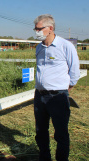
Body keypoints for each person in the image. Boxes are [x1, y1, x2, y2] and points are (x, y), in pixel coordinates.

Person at [33, 14, 80, 161]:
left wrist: (64, 91)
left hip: (57, 97)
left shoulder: (65, 46)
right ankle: (44, 157)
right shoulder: (39, 47)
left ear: (50, 29)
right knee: (40, 131)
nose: (36, 31)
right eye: (35, 28)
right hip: (39, 96)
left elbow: (74, 73)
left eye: (39, 28)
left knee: (60, 133)